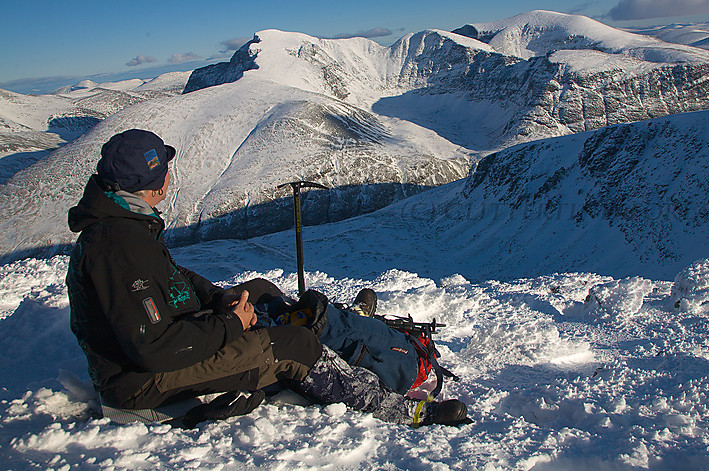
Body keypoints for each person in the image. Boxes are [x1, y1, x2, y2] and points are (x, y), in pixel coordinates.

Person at [65, 129, 467, 427]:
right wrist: (230, 324)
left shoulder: (125, 223)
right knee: (294, 344)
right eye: (164, 169)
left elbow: (173, 278)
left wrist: (221, 298)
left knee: (258, 290)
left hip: (167, 346)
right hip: (142, 383)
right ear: (152, 184)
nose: (170, 175)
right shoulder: (117, 248)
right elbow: (152, 348)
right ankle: (404, 410)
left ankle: (331, 332)